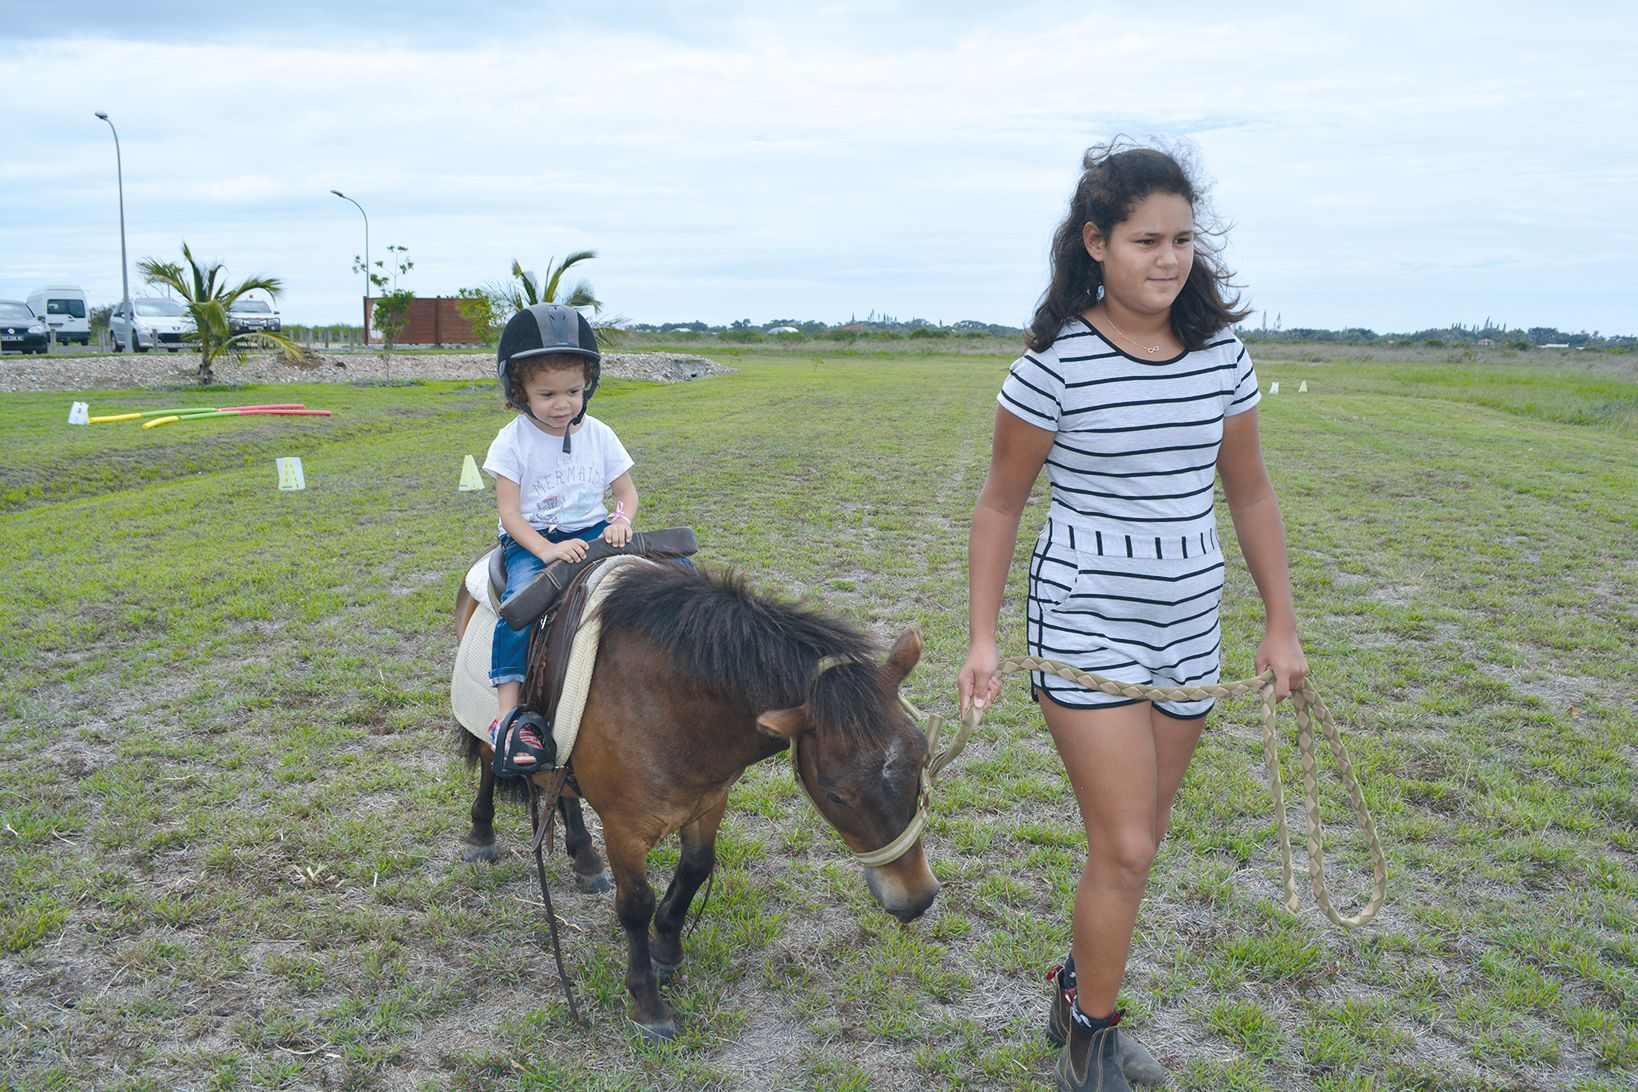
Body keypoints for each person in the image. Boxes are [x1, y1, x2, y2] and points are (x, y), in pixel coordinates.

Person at [958, 141, 1307, 1092]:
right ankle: (1091, 1043)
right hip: (1086, 623)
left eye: (1183, 239)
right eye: (1146, 240)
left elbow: (1251, 493)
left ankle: (1076, 991)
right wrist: (983, 638)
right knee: (1126, 846)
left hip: (1190, 626)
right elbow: (999, 505)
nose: (1169, 258)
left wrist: (1280, 624)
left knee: (1136, 848)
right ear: (1096, 243)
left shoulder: (1223, 358)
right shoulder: (1053, 366)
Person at [485, 302, 638, 770]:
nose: (562, 405)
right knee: (520, 605)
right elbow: (510, 514)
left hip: (593, 529)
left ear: (588, 384)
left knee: (675, 573)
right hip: (534, 537)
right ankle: (507, 715)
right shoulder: (512, 442)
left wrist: (621, 521)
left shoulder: (600, 434)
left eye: (573, 391)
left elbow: (626, 494)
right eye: (547, 394)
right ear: (519, 391)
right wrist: (547, 550)